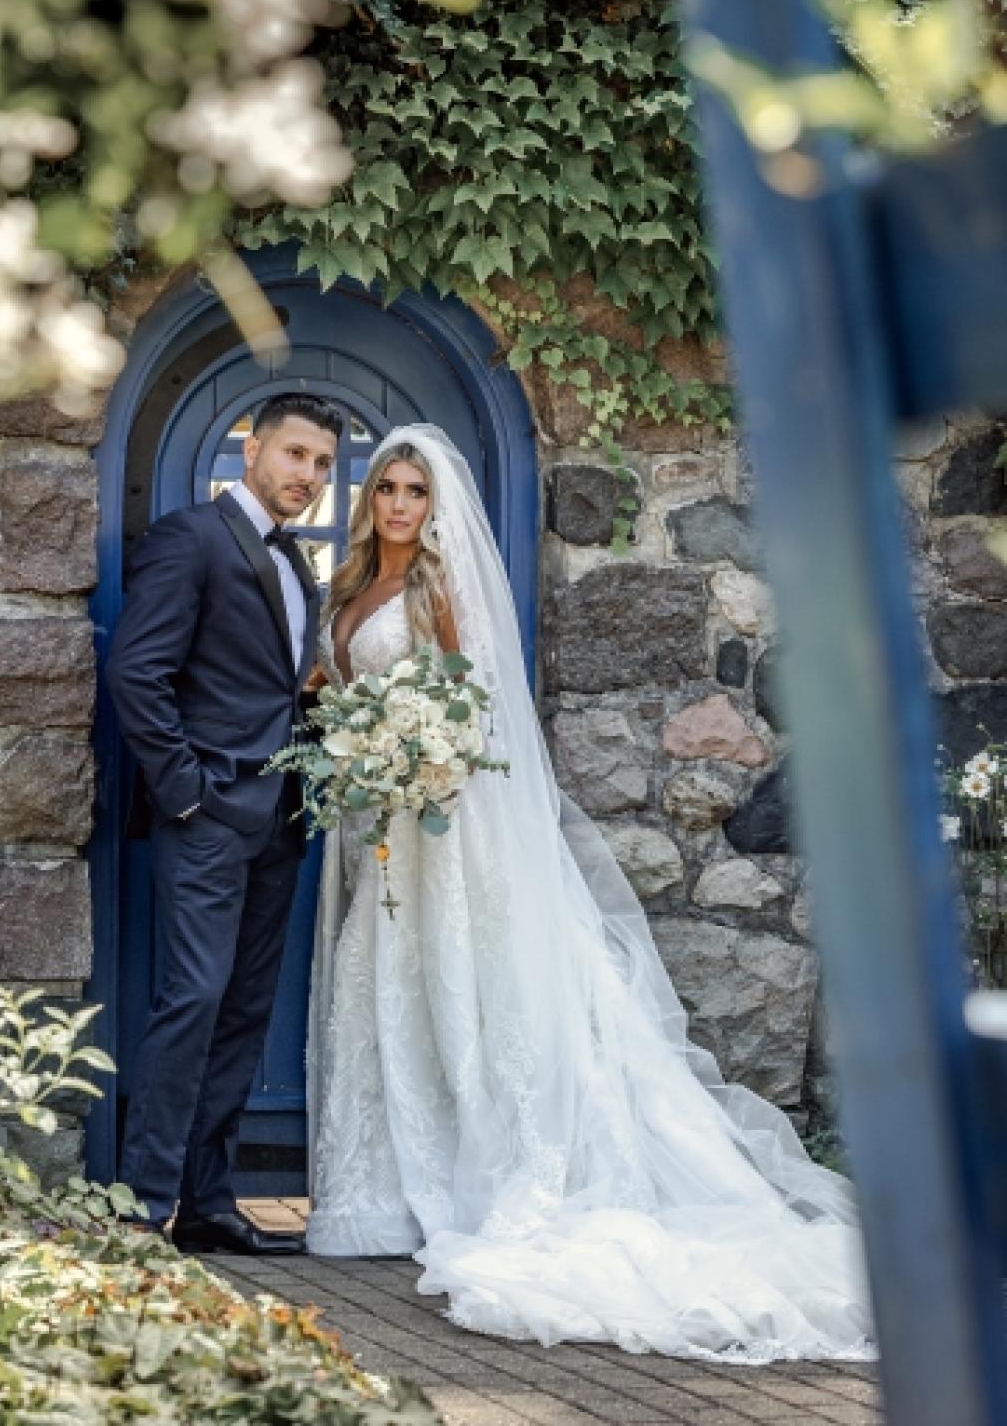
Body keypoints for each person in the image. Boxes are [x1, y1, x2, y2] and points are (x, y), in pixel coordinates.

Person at [305, 422, 876, 1363]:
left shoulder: (435, 589)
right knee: (389, 980)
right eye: (387, 490)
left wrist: (417, 751)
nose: (399, 505)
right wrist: (354, 737)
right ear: (370, 502)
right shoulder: (351, 586)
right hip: (381, 824)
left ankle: (485, 1179)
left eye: (414, 492)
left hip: (440, 820)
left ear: (435, 506)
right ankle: (385, 1195)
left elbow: (470, 702)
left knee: (462, 979)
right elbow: (331, 687)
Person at [106, 391, 342, 1255]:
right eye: (295, 456)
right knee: (193, 1000)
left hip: (280, 816)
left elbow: (282, 690)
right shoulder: (191, 538)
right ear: (253, 450)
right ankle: (144, 1199)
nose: (307, 477)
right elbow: (138, 672)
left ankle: (209, 1201)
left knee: (242, 1010)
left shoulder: (299, 566)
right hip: (207, 816)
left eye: (321, 465)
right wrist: (186, 792)